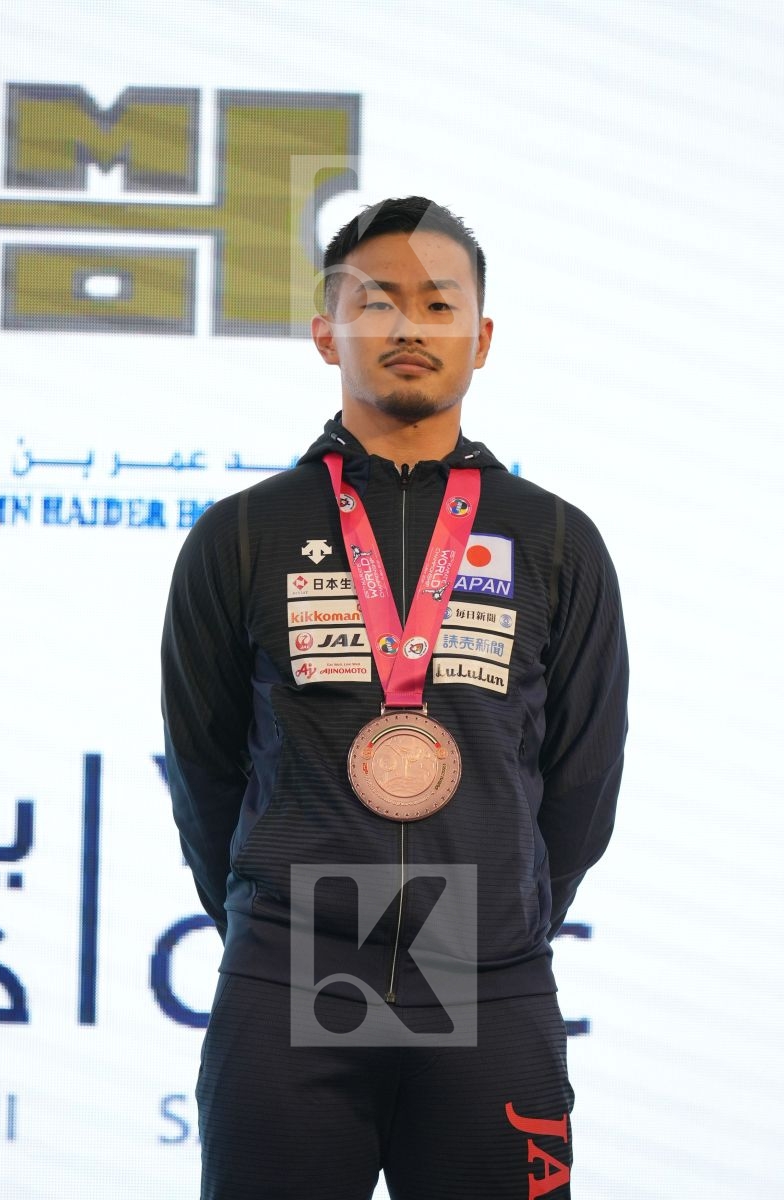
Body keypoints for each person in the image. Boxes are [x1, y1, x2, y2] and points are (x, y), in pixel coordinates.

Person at [161, 196, 629, 1200]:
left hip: (485, 970)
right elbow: (202, 765)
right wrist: (268, 913)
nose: (408, 327)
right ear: (325, 328)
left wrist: (502, 913)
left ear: (481, 336)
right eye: (376, 303)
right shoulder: (242, 536)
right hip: (290, 964)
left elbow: (580, 782)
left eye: (435, 303)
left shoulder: (552, 541)